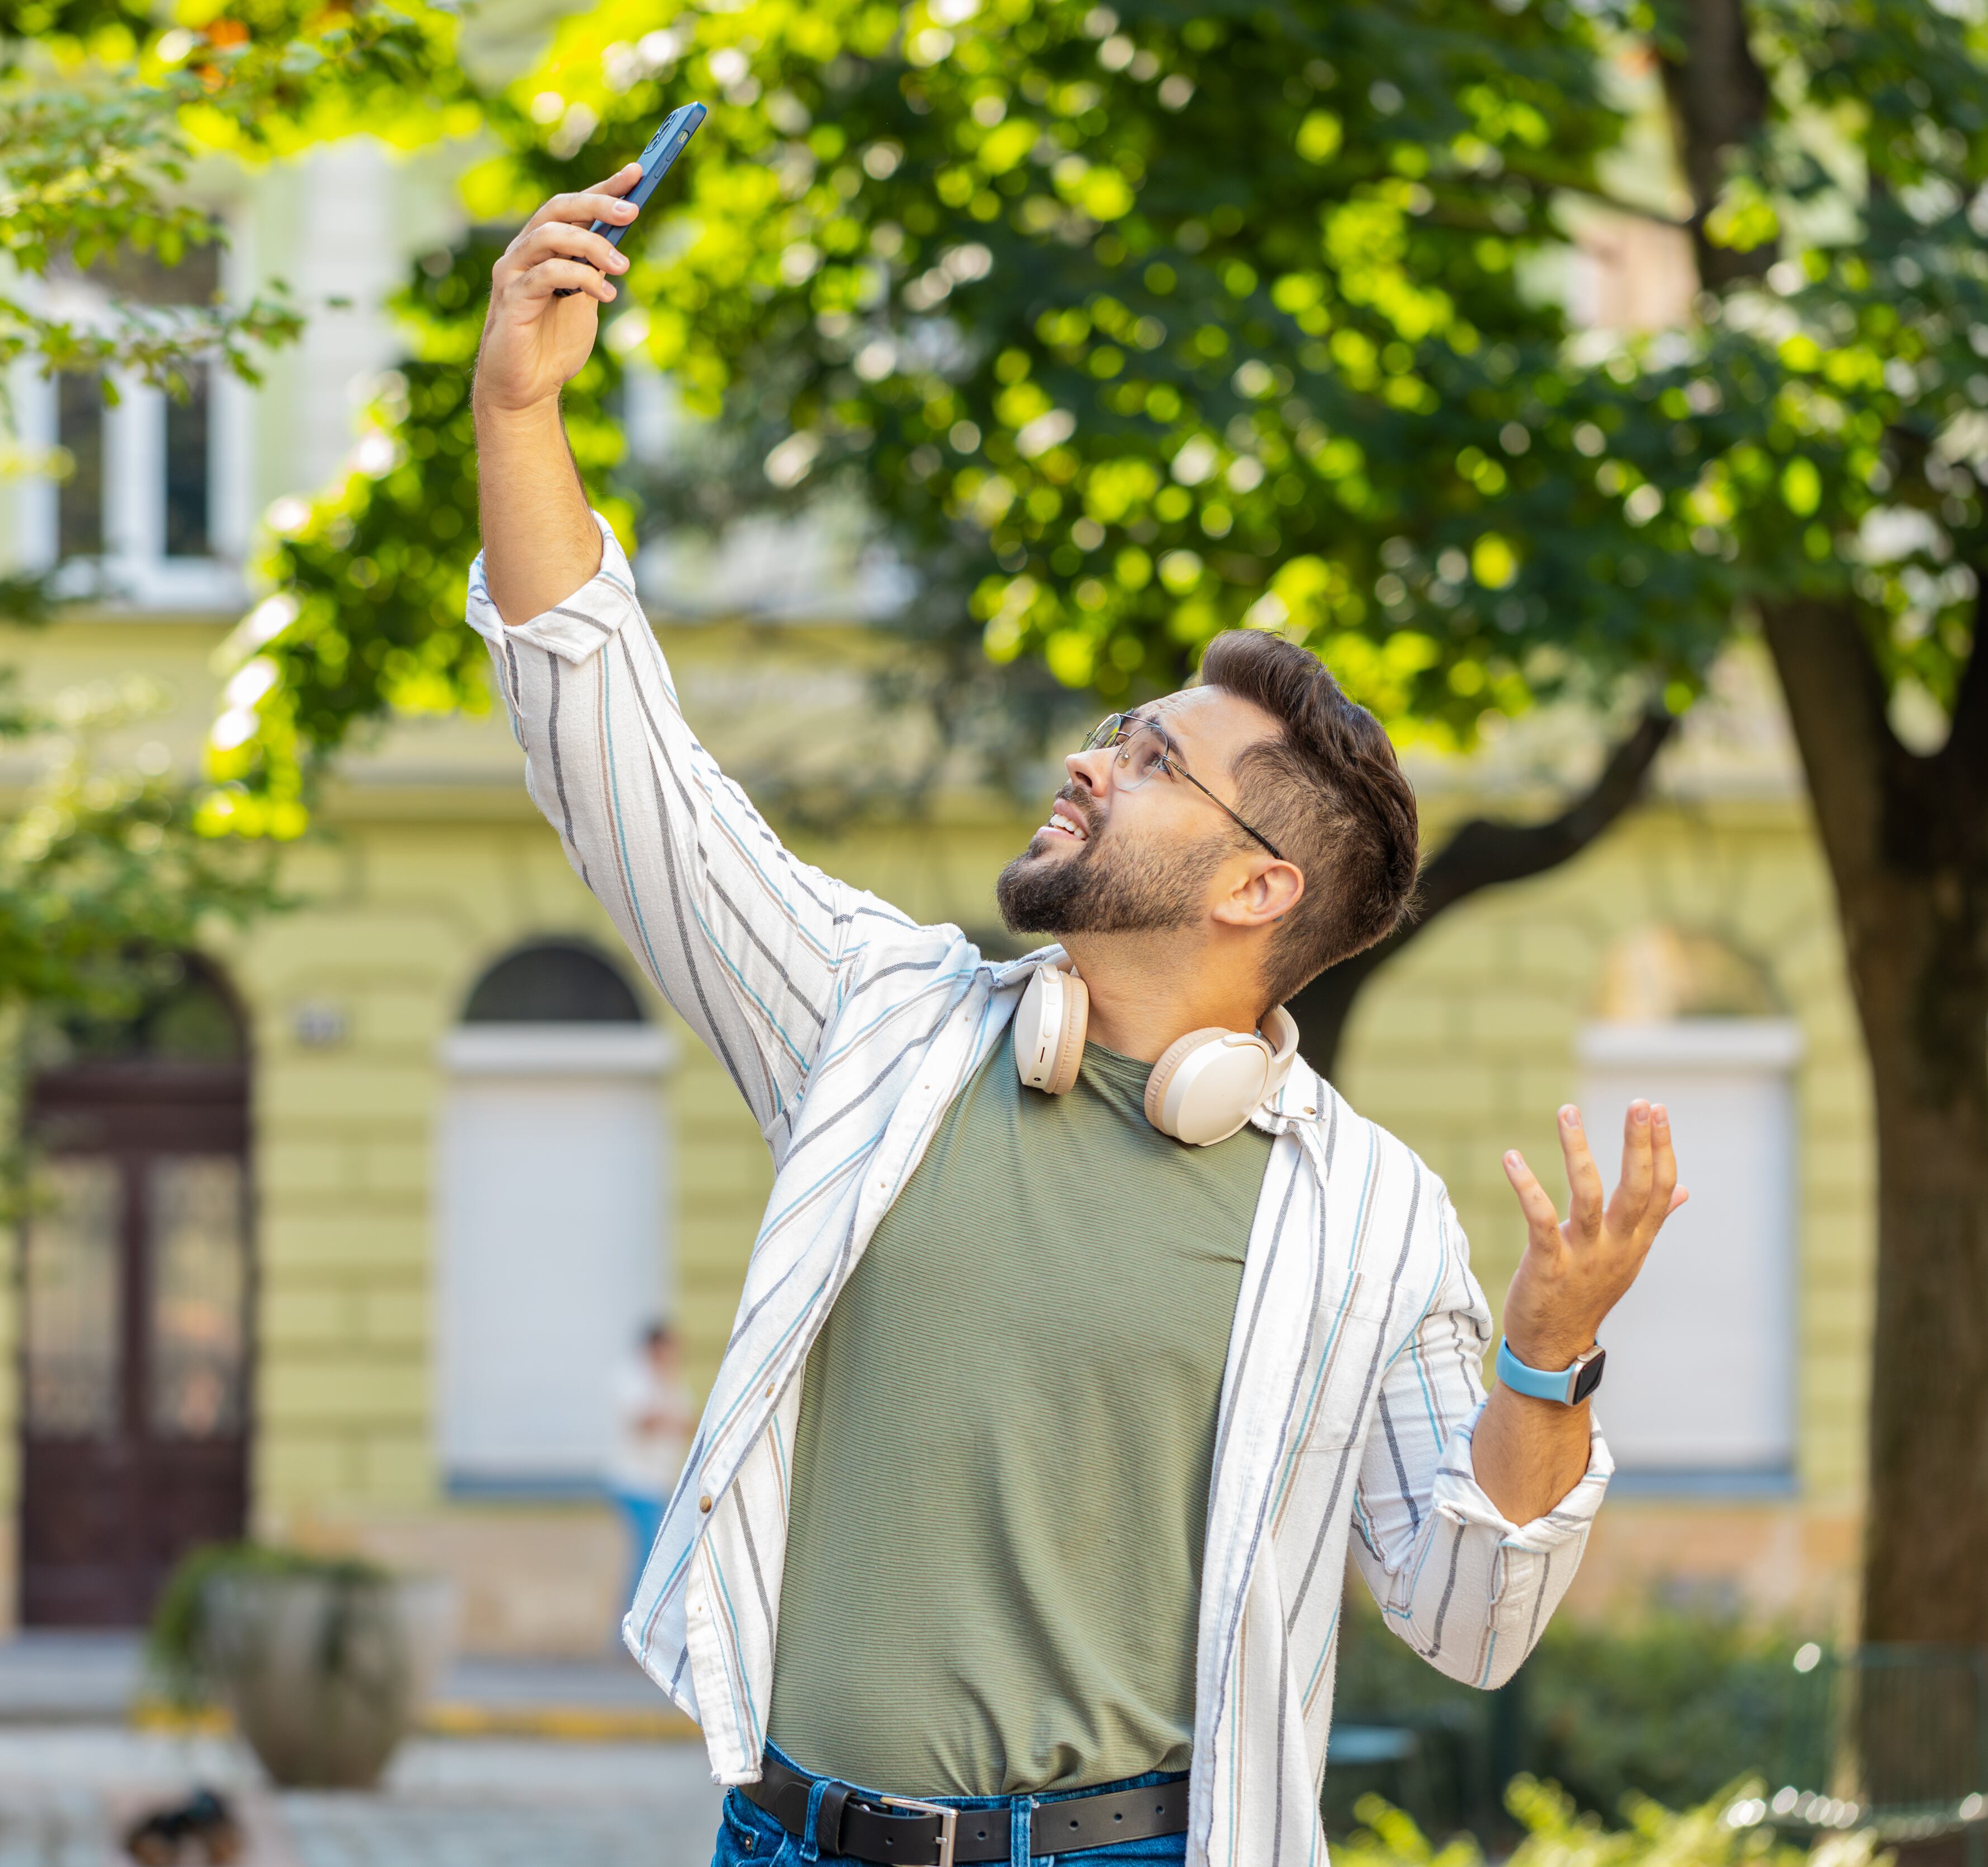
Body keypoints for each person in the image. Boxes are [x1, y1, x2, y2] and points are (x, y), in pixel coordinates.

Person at [465, 162, 1688, 1867]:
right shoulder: (876, 1025)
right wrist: (519, 411)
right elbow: (623, 774)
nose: (1089, 758)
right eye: (1118, 726)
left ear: (1256, 887)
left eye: (1152, 758)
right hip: (784, 1837)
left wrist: (1545, 1355)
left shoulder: (1362, 1217)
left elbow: (1466, 1611)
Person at [612, 1318, 696, 1616]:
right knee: (649, 1556)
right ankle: (630, 1626)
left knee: (654, 1556)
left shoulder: (674, 1383)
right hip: (635, 1483)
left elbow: (688, 1424)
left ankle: (639, 1624)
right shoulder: (634, 1378)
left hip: (660, 1483)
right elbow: (645, 1421)